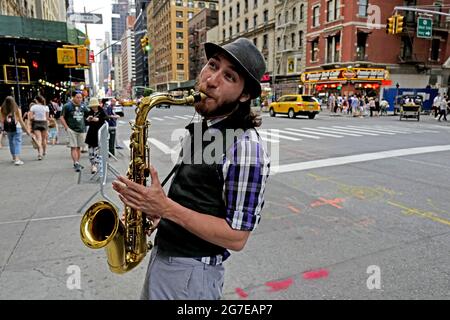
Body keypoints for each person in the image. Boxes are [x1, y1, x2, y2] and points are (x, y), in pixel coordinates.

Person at [112, 38, 271, 300]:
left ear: (245, 95)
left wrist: (166, 208)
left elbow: (237, 237)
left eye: (228, 76)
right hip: (170, 264)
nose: (210, 80)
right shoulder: (206, 126)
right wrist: (154, 213)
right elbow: (198, 200)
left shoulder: (246, 148)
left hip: (191, 276)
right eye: (212, 65)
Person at [60, 91, 89, 172]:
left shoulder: (83, 106)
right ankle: (76, 162)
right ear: (73, 97)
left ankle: (77, 163)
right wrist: (66, 128)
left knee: (79, 147)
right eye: (78, 97)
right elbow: (61, 117)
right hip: (72, 129)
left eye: (81, 97)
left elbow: (89, 113)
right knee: (74, 147)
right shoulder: (67, 106)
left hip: (81, 129)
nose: (80, 99)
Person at [0, 96, 31, 165]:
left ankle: (14, 157)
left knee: (11, 142)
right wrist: (26, 130)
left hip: (8, 128)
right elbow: (21, 121)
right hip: (17, 127)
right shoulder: (17, 109)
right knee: (17, 142)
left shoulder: (2, 109)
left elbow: (1, 120)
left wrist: (3, 128)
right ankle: (17, 159)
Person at [29, 95, 49, 160]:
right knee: (44, 139)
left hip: (36, 123)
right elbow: (47, 118)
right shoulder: (46, 107)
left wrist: (35, 116)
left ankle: (39, 154)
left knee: (39, 139)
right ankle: (44, 151)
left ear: (36, 100)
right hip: (44, 123)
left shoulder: (33, 107)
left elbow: (31, 117)